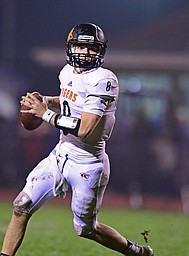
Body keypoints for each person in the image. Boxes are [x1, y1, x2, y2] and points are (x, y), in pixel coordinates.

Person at [1, 23, 154, 256]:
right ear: (71, 47)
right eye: (80, 46)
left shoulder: (104, 80)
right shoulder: (67, 71)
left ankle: (134, 251)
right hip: (60, 154)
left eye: (91, 48)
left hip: (88, 164)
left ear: (100, 51)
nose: (84, 52)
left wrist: (45, 114)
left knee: (85, 229)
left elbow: (84, 128)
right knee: (21, 206)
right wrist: (46, 100)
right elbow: (68, 98)